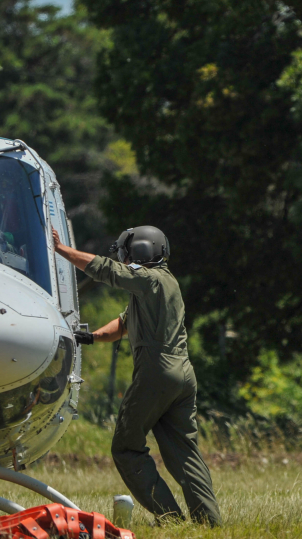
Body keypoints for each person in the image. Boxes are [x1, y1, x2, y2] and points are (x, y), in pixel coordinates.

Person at [51, 225, 221, 527]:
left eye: (126, 254)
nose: (124, 259)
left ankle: (171, 520)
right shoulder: (166, 283)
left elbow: (108, 271)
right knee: (185, 453)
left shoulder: (148, 279)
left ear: (139, 251)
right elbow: (124, 323)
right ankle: (209, 523)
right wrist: (91, 337)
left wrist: (60, 249)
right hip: (183, 374)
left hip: (157, 372)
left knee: (126, 448)